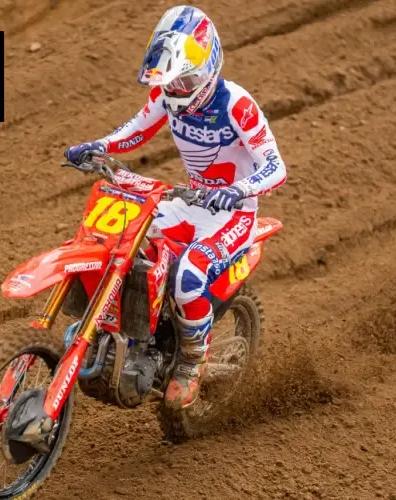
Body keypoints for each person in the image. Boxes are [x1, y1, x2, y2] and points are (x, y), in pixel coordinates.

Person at [65, 5, 287, 409]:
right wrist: (99, 147)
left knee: (188, 276)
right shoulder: (166, 96)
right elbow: (135, 131)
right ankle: (129, 331)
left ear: (208, 69)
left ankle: (192, 360)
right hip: (190, 201)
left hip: (232, 213)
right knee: (123, 242)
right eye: (172, 80)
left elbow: (275, 166)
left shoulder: (236, 104)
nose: (178, 89)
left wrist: (238, 190)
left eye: (186, 80)